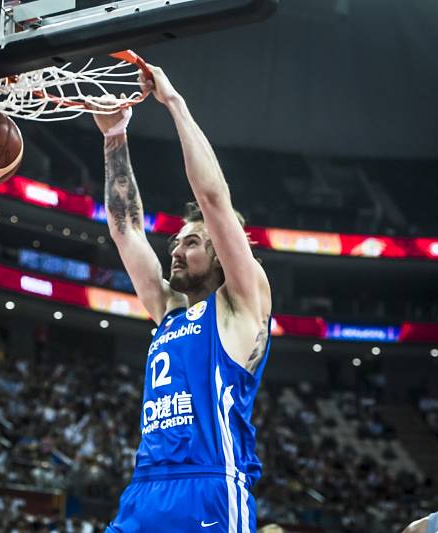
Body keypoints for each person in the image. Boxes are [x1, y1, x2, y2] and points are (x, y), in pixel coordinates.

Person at [91, 64, 272, 532]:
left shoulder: (241, 305)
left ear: (219, 255)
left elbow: (213, 198)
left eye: (191, 242)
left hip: (209, 489)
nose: (175, 249)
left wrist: (173, 103)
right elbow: (125, 228)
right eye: (176, 241)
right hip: (145, 487)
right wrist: (115, 137)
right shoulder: (168, 309)